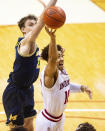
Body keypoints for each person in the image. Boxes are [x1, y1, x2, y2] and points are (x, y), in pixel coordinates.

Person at [2, 0, 58, 131]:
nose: (35, 26)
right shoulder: (26, 43)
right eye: (30, 25)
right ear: (23, 29)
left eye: (35, 24)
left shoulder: (33, 43)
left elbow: (42, 20)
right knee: (17, 128)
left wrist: (46, 10)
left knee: (29, 123)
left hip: (28, 89)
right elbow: (42, 21)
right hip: (15, 93)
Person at [35, 27, 92, 131]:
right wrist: (53, 38)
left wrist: (82, 88)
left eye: (62, 56)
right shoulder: (49, 74)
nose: (61, 59)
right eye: (58, 56)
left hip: (60, 118)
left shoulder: (61, 70)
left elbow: (65, 85)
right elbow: (52, 59)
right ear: (50, 60)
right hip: (47, 121)